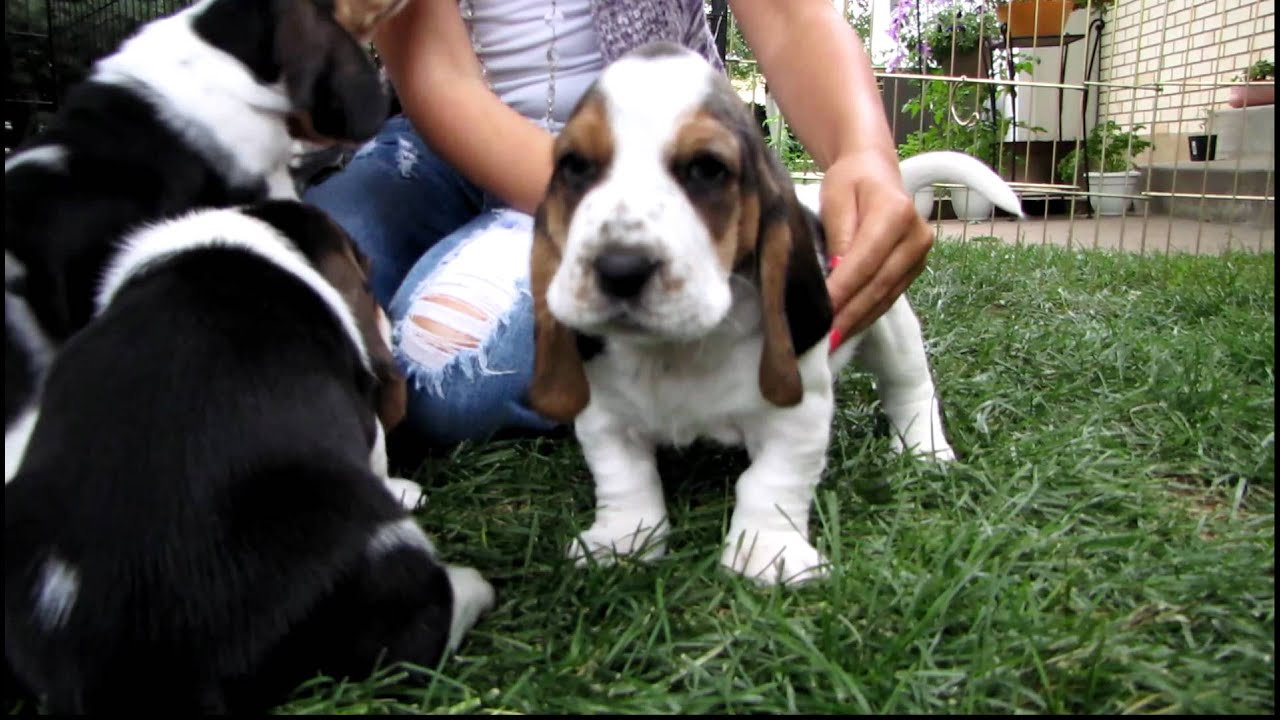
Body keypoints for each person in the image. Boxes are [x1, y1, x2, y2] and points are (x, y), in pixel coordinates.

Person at [304, 0, 934, 447]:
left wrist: (864, 153)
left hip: (653, 153)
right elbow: (438, 77)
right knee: (296, 293)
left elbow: (793, 17)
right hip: (435, 148)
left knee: (442, 380)